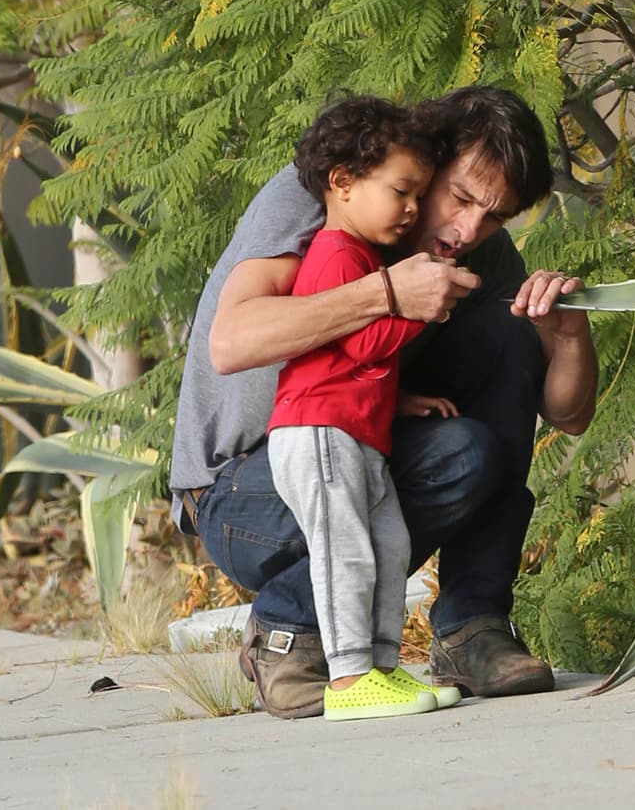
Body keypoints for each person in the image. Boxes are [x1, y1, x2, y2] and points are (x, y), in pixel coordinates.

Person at [171, 85, 598, 719]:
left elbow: (569, 415)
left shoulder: (476, 248)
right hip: (240, 495)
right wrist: (386, 293)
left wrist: (568, 336)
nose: (469, 230)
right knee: (461, 455)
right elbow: (231, 342)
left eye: (495, 216)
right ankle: (288, 633)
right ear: (427, 161)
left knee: (507, 338)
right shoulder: (322, 194)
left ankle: (473, 627)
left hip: (354, 455)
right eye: (460, 198)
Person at [267, 95, 462, 721]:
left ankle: (381, 666)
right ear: (343, 182)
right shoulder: (337, 253)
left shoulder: (363, 258)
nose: (412, 209)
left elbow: (346, 362)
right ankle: (349, 677)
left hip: (353, 431)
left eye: (419, 196)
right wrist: (422, 309)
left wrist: (397, 400)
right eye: (401, 191)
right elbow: (362, 342)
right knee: (344, 549)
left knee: (391, 546)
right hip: (318, 433)